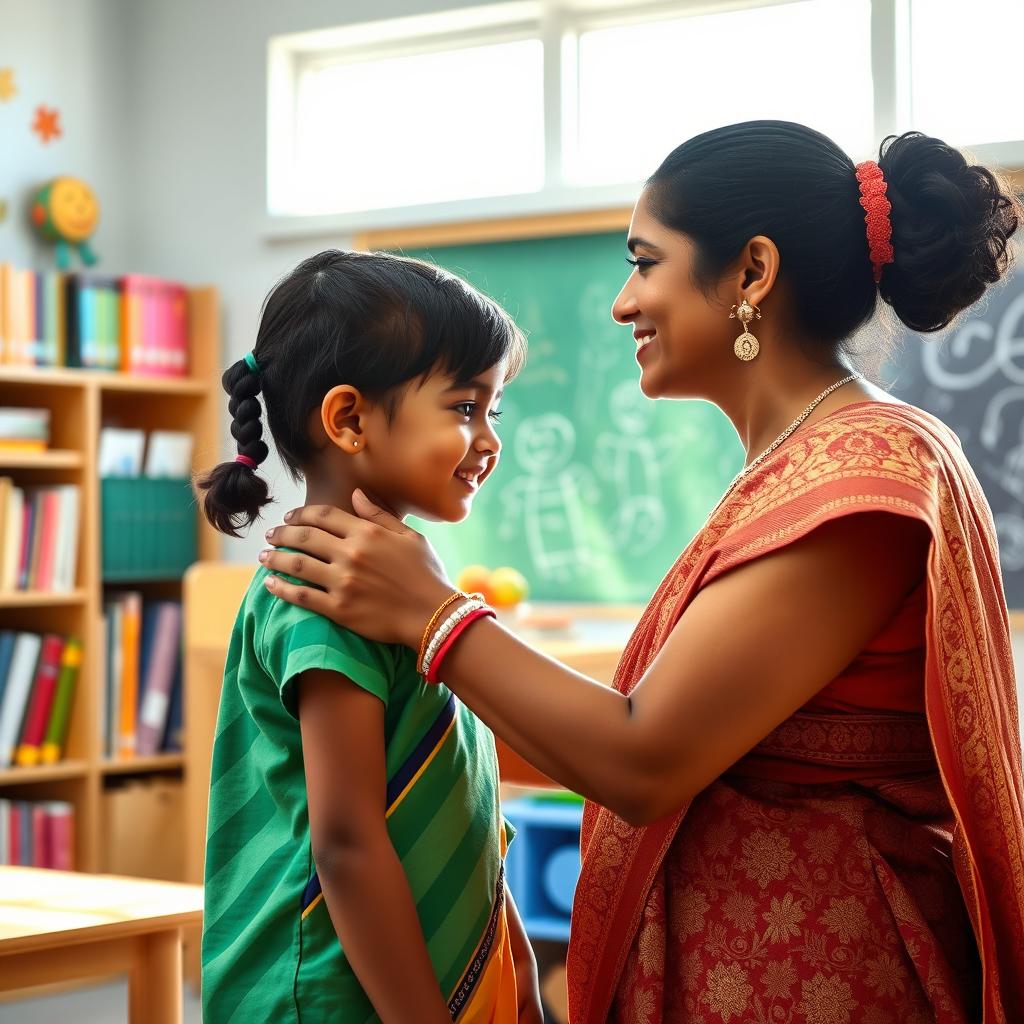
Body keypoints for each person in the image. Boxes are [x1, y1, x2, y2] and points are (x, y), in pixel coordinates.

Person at [258, 123, 1024, 1022]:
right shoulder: (806, 463)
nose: (623, 303)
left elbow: (643, 757)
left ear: (751, 273)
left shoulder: (863, 476)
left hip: (821, 975)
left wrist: (432, 612)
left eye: (645, 261)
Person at [196, 250, 543, 1023]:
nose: (488, 438)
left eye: (494, 411)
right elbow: (346, 845)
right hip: (327, 999)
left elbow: (464, 797)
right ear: (349, 419)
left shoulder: (402, 582)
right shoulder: (325, 593)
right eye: (463, 408)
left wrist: (511, 966)